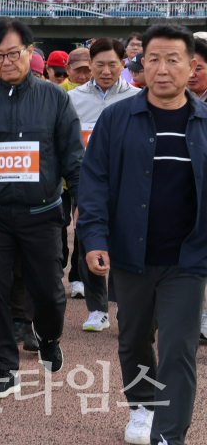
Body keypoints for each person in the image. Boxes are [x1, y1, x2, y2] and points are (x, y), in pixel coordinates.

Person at [79, 24, 207, 445]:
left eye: (174, 60)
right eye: (154, 59)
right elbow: (94, 180)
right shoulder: (118, 117)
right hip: (130, 255)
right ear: (141, 66)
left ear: (192, 67)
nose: (163, 68)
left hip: (187, 259)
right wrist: (94, 238)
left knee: (178, 350)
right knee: (133, 340)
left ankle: (169, 435)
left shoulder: (205, 122)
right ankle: (142, 406)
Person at [0, 19, 83, 398]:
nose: (5, 61)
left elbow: (73, 157)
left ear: (30, 52)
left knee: (49, 292)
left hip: (43, 214)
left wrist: (84, 204)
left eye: (13, 53)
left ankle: (48, 336)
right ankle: (2, 369)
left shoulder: (55, 99)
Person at [67, 38, 139, 333]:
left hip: (129, 185)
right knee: (88, 240)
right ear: (91, 65)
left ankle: (123, 302)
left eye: (112, 64)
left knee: (126, 243)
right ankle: (97, 309)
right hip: (88, 184)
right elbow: (68, 145)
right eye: (99, 64)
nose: (106, 70)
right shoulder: (73, 99)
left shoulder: (137, 97)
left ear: (123, 63)